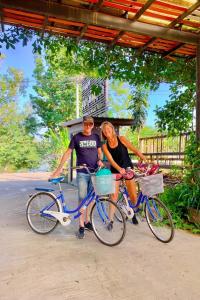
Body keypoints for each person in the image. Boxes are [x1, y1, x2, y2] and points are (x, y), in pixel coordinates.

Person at [50, 116, 103, 239]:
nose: (88, 126)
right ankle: (81, 225)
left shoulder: (96, 137)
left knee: (92, 199)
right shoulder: (77, 137)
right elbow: (68, 153)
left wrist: (100, 160)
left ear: (93, 124)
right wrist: (58, 170)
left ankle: (87, 221)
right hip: (82, 173)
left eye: (90, 124)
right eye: (86, 124)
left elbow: (100, 152)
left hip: (94, 172)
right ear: (83, 124)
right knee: (82, 199)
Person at [100, 121, 147, 226]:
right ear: (103, 133)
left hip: (128, 168)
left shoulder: (121, 139)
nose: (107, 131)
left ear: (112, 129)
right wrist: (119, 169)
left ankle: (133, 212)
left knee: (133, 195)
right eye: (105, 130)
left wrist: (143, 158)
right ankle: (110, 220)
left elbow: (134, 149)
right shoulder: (105, 146)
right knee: (114, 195)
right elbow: (111, 161)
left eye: (109, 129)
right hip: (116, 170)